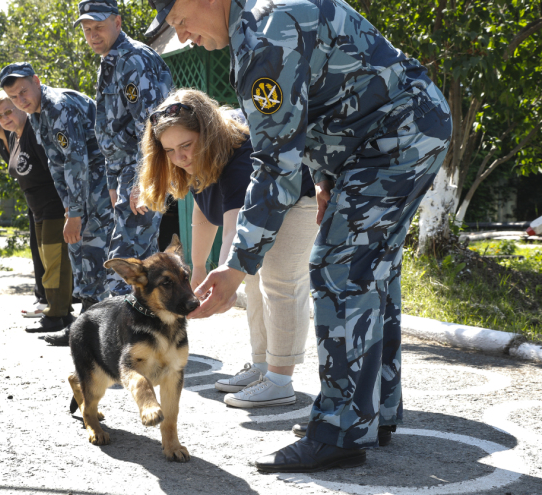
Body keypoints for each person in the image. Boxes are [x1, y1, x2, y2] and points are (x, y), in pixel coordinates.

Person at [148, 0, 453, 472]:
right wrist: (328, 178)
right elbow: (313, 113)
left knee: (337, 267)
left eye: (180, 21)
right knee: (372, 266)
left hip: (394, 136)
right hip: (390, 133)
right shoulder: (258, 22)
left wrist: (236, 264)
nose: (184, 36)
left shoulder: (267, 35)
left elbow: (275, 166)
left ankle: (339, 430)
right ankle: (373, 410)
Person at [137, 88, 318, 408]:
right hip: (265, 204)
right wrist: (199, 267)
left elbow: (236, 229)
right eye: (169, 150)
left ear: (205, 133)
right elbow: (206, 213)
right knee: (253, 278)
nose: (179, 158)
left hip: (296, 196)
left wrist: (225, 276)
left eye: (186, 146)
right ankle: (261, 367)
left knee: (279, 277)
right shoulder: (194, 156)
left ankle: (280, 380)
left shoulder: (237, 154)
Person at [0, 63, 114, 346]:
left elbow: (76, 161)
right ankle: (85, 327)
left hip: (98, 183)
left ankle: (101, 331)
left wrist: (73, 212)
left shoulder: (58, 106)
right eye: (13, 97)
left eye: (23, 91)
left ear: (37, 81)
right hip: (80, 190)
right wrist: (68, 206)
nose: (20, 100)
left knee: (94, 253)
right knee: (79, 253)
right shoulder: (37, 113)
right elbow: (56, 162)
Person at [75, 0, 173, 295]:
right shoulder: (111, 61)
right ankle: (121, 328)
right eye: (87, 29)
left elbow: (153, 126)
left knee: (127, 257)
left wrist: (143, 181)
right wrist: (113, 180)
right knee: (130, 254)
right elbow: (111, 131)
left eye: (99, 27)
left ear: (117, 23)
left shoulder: (133, 59)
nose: (93, 35)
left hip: (143, 168)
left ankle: (117, 333)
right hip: (125, 172)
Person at [0, 91, 75, 334]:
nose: (4, 118)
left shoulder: (34, 132)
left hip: (54, 206)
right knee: (47, 261)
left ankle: (57, 315)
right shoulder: (14, 137)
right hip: (37, 209)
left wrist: (70, 209)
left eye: (8, 111)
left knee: (55, 262)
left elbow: (56, 170)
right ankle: (59, 312)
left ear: (19, 107)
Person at [0, 101, 49, 319]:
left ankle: (51, 300)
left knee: (49, 250)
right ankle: (42, 297)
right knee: (36, 248)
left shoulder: (19, 133)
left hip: (48, 198)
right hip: (31, 199)